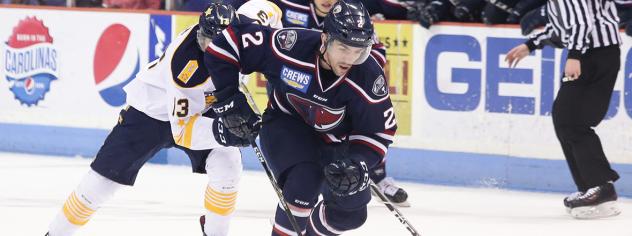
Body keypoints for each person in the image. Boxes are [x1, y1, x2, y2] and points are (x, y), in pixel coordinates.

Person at [45, 2, 256, 236]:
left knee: (228, 165)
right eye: (207, 41)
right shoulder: (184, 66)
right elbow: (182, 130)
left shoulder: (247, 32)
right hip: (151, 113)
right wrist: (223, 132)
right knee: (102, 182)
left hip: (201, 109)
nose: (211, 48)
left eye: (219, 43)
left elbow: (270, 10)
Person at [205, 0, 397, 234]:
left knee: (351, 214)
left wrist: (357, 163)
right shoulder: (290, 45)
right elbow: (227, 43)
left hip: (337, 141)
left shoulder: (368, 76)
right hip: (286, 124)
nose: (350, 58)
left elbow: (378, 132)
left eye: (358, 51)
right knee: (304, 181)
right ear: (325, 39)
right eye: (344, 48)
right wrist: (229, 100)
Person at [268, 0, 410, 207]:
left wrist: (355, 76)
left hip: (337, 85)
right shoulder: (288, 5)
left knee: (366, 120)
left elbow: (376, 52)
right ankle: (299, 178)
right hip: (295, 84)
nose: (327, 1)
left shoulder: (353, 17)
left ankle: (376, 174)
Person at [505, 0, 622, 219]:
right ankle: (592, 187)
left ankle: (600, 187)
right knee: (565, 118)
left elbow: (581, 23)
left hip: (594, 55)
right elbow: (562, 28)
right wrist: (531, 44)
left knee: (572, 120)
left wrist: (575, 55)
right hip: (594, 54)